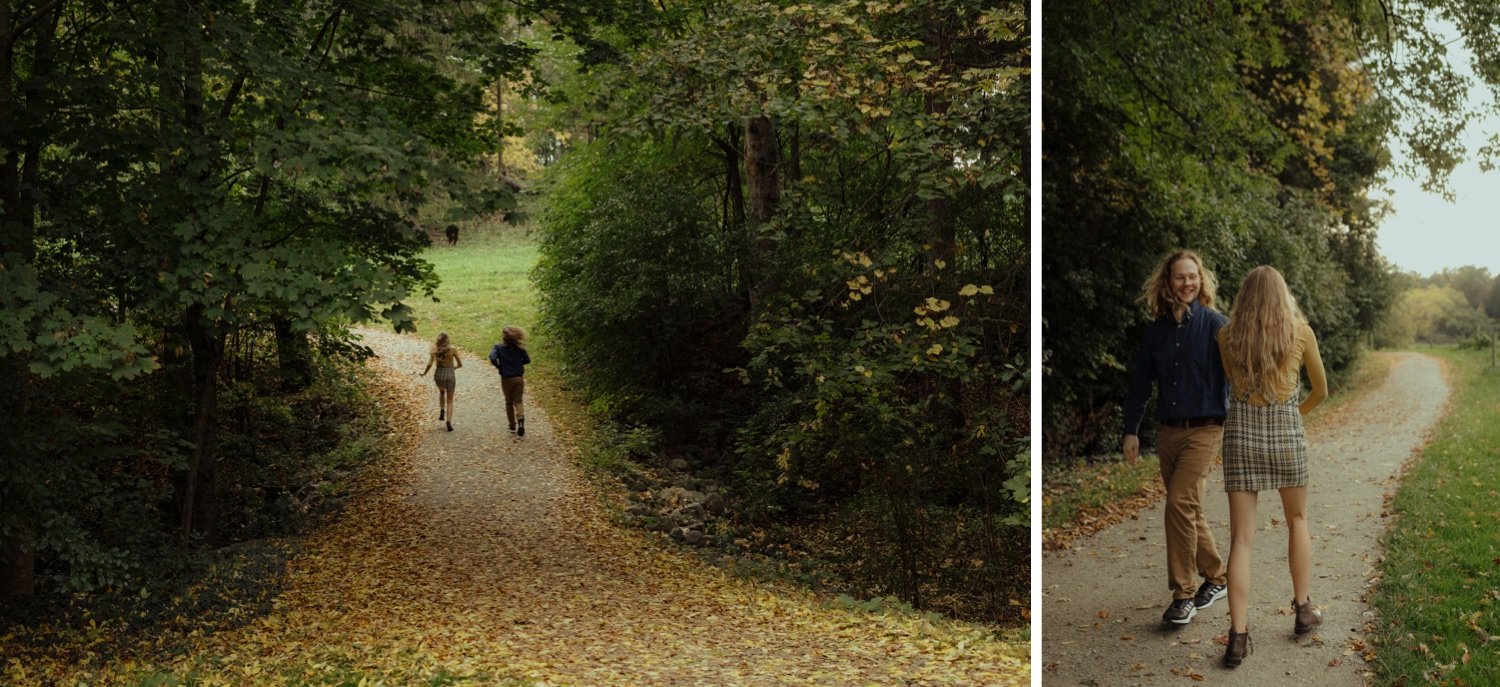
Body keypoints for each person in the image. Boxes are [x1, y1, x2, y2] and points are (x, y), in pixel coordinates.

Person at [1215, 265, 1328, 667]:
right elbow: (1322, 389)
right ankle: (1302, 609)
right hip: (1286, 437)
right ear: (1282, 295)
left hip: (1241, 437)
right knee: (1297, 520)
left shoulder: (1226, 336)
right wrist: (1294, 413)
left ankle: (1238, 636)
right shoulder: (1300, 332)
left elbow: (1232, 382)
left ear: (1244, 296)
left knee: (1241, 540)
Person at [1122, 249, 1231, 626]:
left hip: (1205, 430)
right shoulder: (1156, 332)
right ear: (1168, 283)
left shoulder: (1217, 325)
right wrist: (1130, 430)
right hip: (1168, 434)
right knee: (1187, 509)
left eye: (1193, 276)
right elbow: (1140, 384)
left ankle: (1183, 594)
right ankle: (1217, 577)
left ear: (1202, 281)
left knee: (1179, 505)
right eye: (1180, 277)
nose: (1187, 283)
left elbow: (1239, 375)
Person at [489, 326, 531, 437]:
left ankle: (512, 425)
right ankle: (520, 419)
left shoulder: (498, 347)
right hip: (519, 378)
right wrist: (518, 362)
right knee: (518, 401)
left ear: (504, 337)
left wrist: (498, 366)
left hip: (506, 378)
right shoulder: (520, 349)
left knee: (508, 402)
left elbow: (492, 357)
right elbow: (527, 360)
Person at [420, 332, 462, 432]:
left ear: (438, 340)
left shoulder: (434, 350)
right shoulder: (453, 349)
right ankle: (448, 421)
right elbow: (460, 364)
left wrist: (424, 373)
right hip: (450, 375)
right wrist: (454, 368)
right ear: (447, 339)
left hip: (439, 375)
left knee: (442, 392)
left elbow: (430, 364)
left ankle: (442, 410)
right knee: (450, 400)